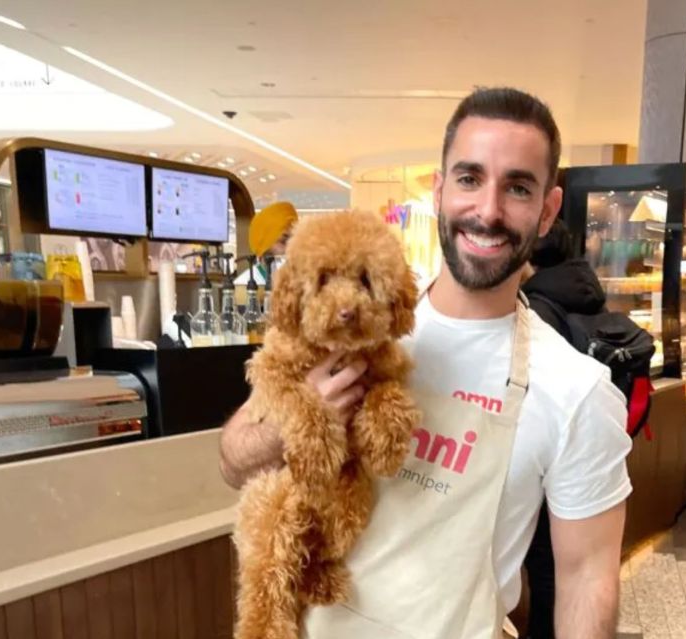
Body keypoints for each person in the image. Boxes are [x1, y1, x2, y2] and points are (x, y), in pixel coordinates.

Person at [218, 87, 632, 639]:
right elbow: (233, 462)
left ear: (548, 209)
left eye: (517, 187)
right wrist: (301, 418)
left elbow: (586, 579)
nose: (487, 211)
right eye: (469, 178)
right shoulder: (348, 336)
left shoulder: (577, 389)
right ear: (439, 191)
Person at [519, 218, 608, 639]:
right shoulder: (587, 289)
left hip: (540, 456)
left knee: (542, 566)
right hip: (571, 450)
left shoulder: (535, 305)